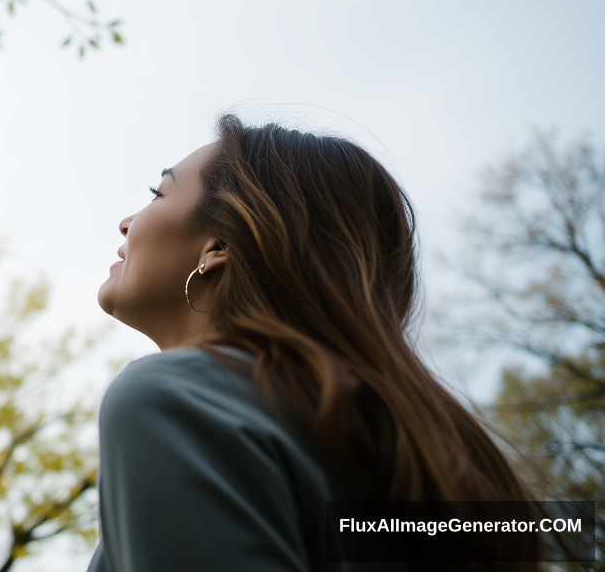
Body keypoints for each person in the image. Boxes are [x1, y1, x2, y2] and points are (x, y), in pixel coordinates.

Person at [88, 115, 535, 571]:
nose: (127, 223)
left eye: (157, 194)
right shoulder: (409, 450)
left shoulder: (171, 402)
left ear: (218, 245)